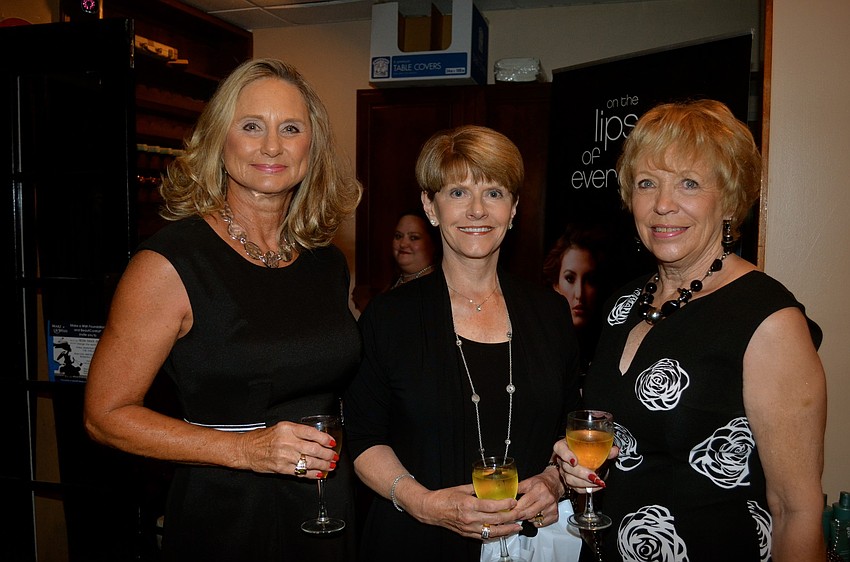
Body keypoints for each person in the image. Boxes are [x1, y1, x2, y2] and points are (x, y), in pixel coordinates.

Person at [83, 58, 363, 561]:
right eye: (251, 126)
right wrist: (246, 450)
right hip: (227, 513)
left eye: (291, 128)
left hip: (326, 504)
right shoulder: (170, 263)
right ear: (219, 139)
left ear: (313, 146)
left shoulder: (327, 263)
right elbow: (105, 417)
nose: (272, 146)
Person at [552, 99, 827, 561]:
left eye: (689, 183)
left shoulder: (767, 320)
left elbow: (795, 511)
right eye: (647, 183)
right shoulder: (623, 303)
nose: (663, 204)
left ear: (729, 199)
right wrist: (580, 471)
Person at [344, 124, 582, 562]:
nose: (476, 210)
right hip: (415, 542)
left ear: (513, 208)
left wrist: (555, 481)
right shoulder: (389, 317)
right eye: (457, 193)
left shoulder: (550, 313)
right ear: (430, 206)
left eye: (493, 193)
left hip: (528, 544)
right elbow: (362, 437)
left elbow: (570, 431)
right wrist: (423, 503)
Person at [542, 223, 612, 376]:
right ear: (555, 283)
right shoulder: (540, 345)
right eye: (570, 278)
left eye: (590, 280)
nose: (579, 294)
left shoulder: (610, 347)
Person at [390, 208, 439, 289]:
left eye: (414, 238)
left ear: (433, 243)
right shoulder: (395, 282)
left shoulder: (436, 286)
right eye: (398, 236)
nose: (403, 244)